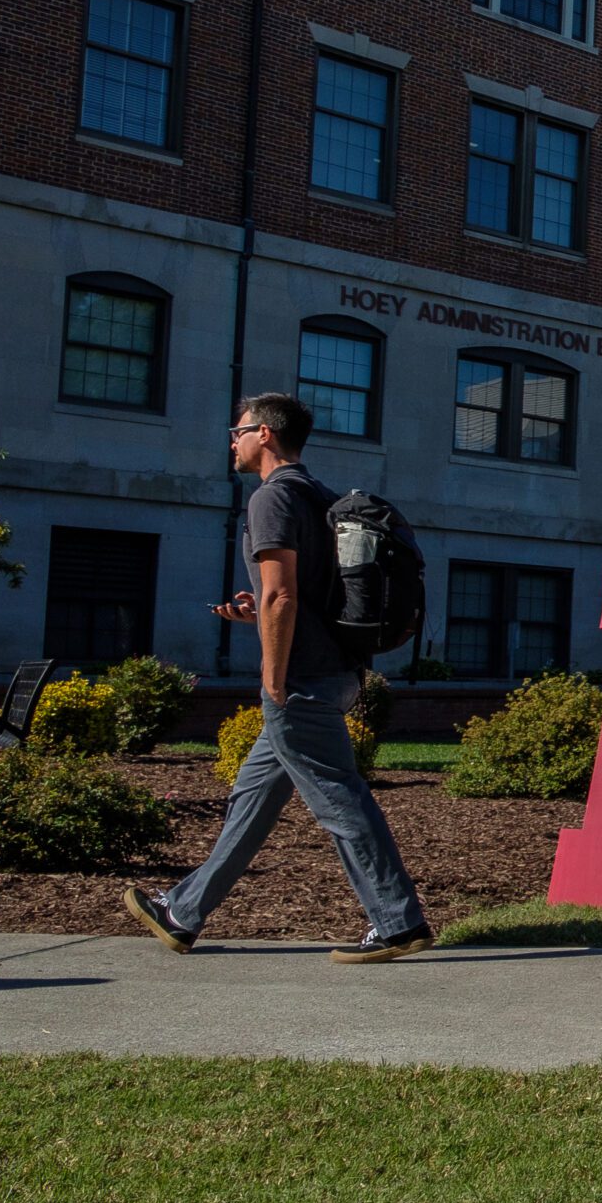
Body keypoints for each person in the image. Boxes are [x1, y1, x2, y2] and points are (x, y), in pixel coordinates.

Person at [122, 393, 434, 962]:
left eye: (237, 430)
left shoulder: (271, 499)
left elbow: (281, 593)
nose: (232, 441)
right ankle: (183, 914)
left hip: (300, 680)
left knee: (339, 799)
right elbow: (302, 595)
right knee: (253, 798)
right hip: (334, 670)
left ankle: (397, 923)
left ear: (264, 434)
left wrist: (272, 670)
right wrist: (258, 615)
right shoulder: (320, 497)